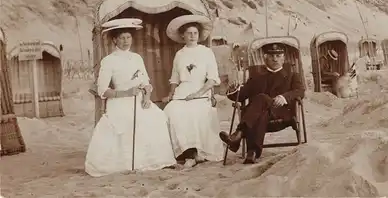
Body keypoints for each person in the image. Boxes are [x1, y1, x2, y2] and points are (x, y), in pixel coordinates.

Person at [85, 18, 176, 177]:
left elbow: (146, 82)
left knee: (157, 117)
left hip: (140, 100)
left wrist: (147, 96)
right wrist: (127, 93)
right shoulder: (108, 61)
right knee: (127, 123)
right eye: (122, 38)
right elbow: (102, 90)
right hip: (119, 101)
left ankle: (152, 161)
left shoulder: (137, 58)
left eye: (128, 37)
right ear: (114, 40)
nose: (126, 41)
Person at [219, 42, 305, 164]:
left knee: (261, 98)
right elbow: (241, 95)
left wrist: (284, 97)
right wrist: (232, 90)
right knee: (261, 111)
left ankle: (239, 134)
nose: (275, 59)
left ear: (283, 58)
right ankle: (252, 153)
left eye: (278, 55)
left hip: (281, 113)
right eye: (271, 56)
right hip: (258, 116)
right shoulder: (257, 77)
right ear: (265, 58)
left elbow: (300, 91)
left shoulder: (292, 75)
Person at [162, 14, 224, 168]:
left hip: (201, 92)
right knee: (172, 111)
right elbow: (175, 78)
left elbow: (212, 79)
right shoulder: (180, 54)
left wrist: (198, 93)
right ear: (183, 35)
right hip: (182, 92)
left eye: (195, 33)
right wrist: (170, 94)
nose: (192, 36)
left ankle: (195, 153)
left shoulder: (206, 52)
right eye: (189, 33)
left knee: (194, 111)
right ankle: (186, 152)